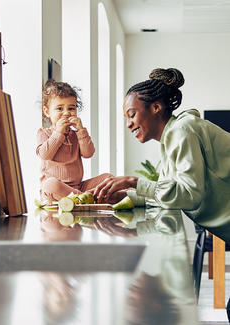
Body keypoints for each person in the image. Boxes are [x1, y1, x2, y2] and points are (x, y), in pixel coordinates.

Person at [92, 68, 230, 241]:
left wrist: (133, 182)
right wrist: (127, 196)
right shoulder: (171, 138)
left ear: (156, 107)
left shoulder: (182, 131)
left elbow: (189, 196)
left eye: (132, 115)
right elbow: (171, 196)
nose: (128, 124)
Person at [37, 79, 111, 202]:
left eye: (71, 108)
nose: (66, 113)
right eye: (60, 109)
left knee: (108, 179)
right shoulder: (44, 133)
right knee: (50, 185)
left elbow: (88, 153)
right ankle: (84, 199)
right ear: (47, 111)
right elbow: (45, 155)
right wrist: (58, 133)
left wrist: (81, 130)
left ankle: (80, 198)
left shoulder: (76, 135)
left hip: (78, 187)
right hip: (56, 190)